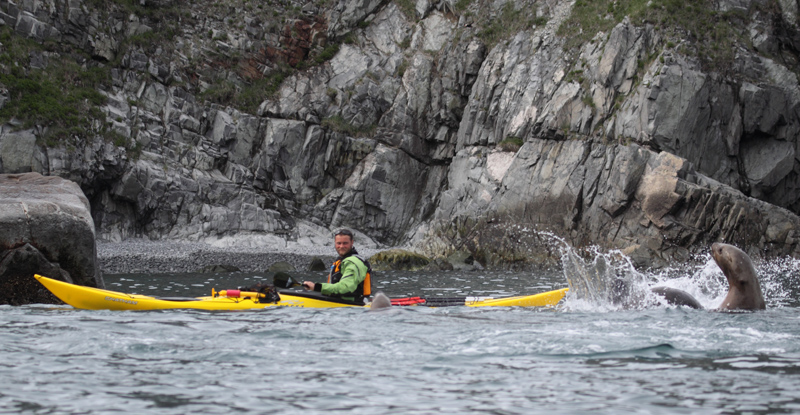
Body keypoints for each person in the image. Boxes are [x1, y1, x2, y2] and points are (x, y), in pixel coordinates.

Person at [303, 228, 372, 304]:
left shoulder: (353, 263)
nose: (341, 246)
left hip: (352, 307)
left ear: (352, 243)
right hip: (339, 304)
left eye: (345, 243)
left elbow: (345, 287)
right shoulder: (340, 261)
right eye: (339, 243)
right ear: (335, 243)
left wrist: (317, 287)